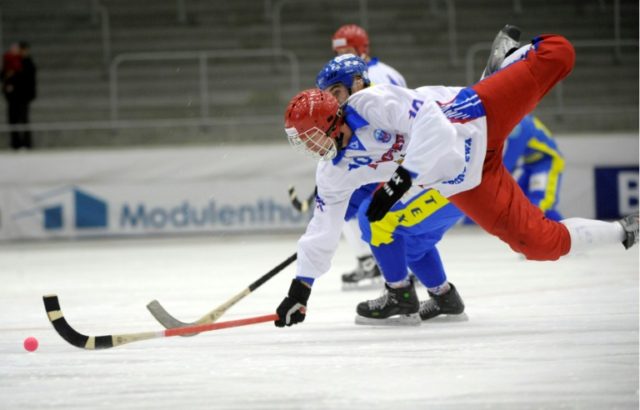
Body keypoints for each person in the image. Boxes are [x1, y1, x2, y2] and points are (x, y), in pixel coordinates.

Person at [274, 27, 639, 328]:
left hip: (476, 116)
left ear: (331, 121)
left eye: (309, 137)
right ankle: (626, 230)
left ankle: (504, 64)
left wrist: (401, 179)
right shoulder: (333, 170)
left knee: (560, 54)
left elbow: (436, 128)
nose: (309, 148)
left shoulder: (371, 102)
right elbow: (322, 229)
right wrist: (299, 291)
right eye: (302, 142)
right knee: (539, 245)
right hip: (465, 180)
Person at [316, 54, 466, 323]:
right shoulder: (356, 114)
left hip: (449, 177)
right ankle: (445, 298)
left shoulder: (375, 105)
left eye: (336, 92)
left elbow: (397, 157)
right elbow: (380, 165)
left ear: (358, 83)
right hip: (448, 181)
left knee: (374, 217)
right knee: (406, 245)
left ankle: (400, 297)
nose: (333, 102)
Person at [328, 24, 407, 288]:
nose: (340, 57)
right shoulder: (383, 72)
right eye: (337, 52)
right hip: (390, 157)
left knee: (356, 207)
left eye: (347, 51)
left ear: (362, 48)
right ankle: (389, 263)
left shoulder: (368, 77)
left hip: (385, 158)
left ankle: (375, 263)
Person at [2, 41, 36, 150]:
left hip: (23, 96)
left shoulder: (27, 62)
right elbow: (3, 75)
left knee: (24, 119)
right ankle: (15, 144)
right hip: (12, 97)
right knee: (13, 120)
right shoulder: (10, 61)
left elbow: (29, 78)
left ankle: (27, 143)